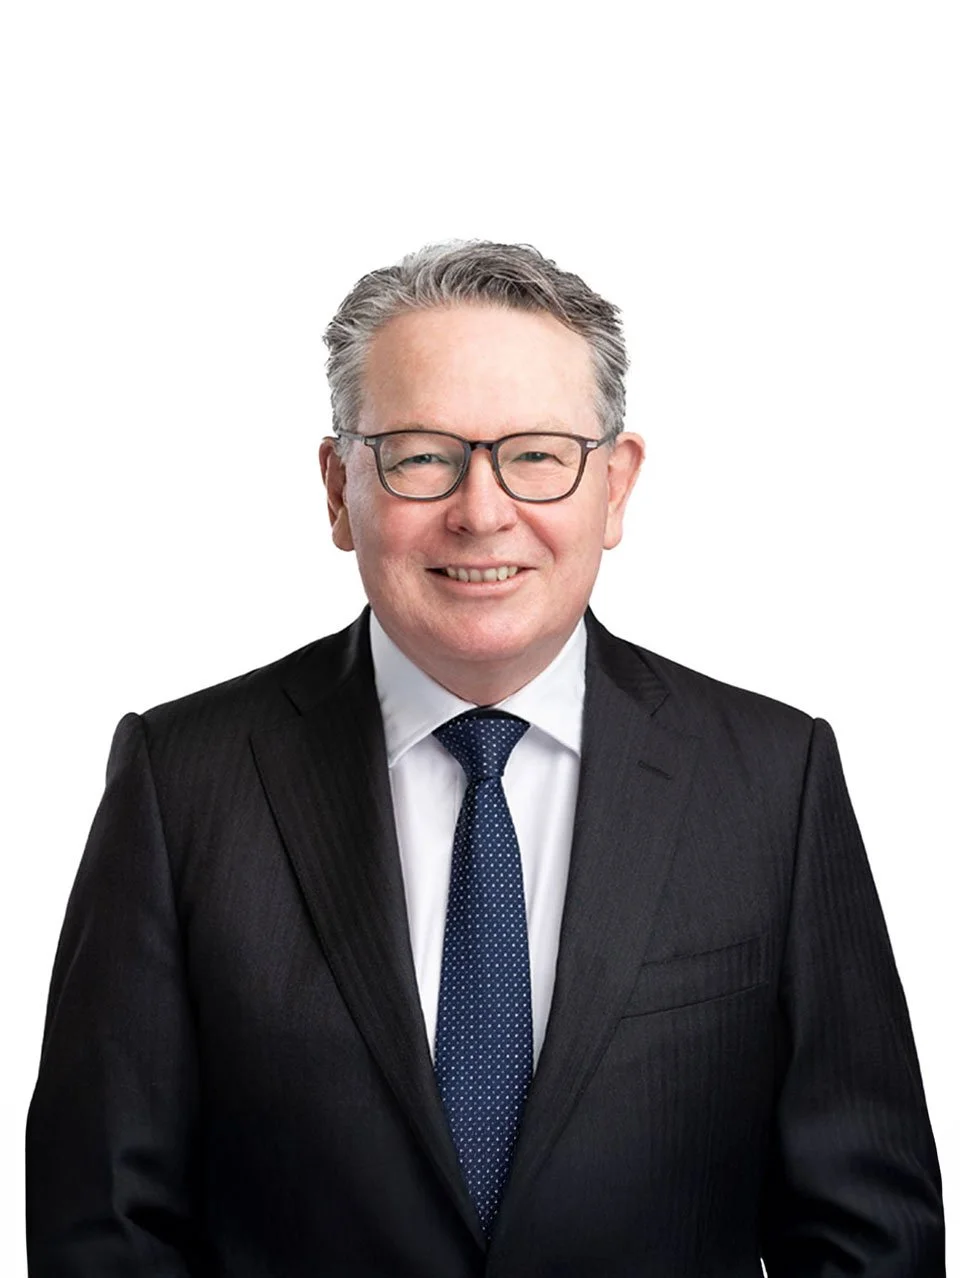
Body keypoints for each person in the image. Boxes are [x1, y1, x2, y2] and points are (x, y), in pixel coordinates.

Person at [26, 241, 944, 1276]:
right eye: (422, 454)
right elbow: (102, 1225)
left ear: (616, 485)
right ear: (339, 487)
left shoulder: (773, 779)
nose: (481, 508)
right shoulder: (181, 780)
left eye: (539, 453)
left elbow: (872, 1238)